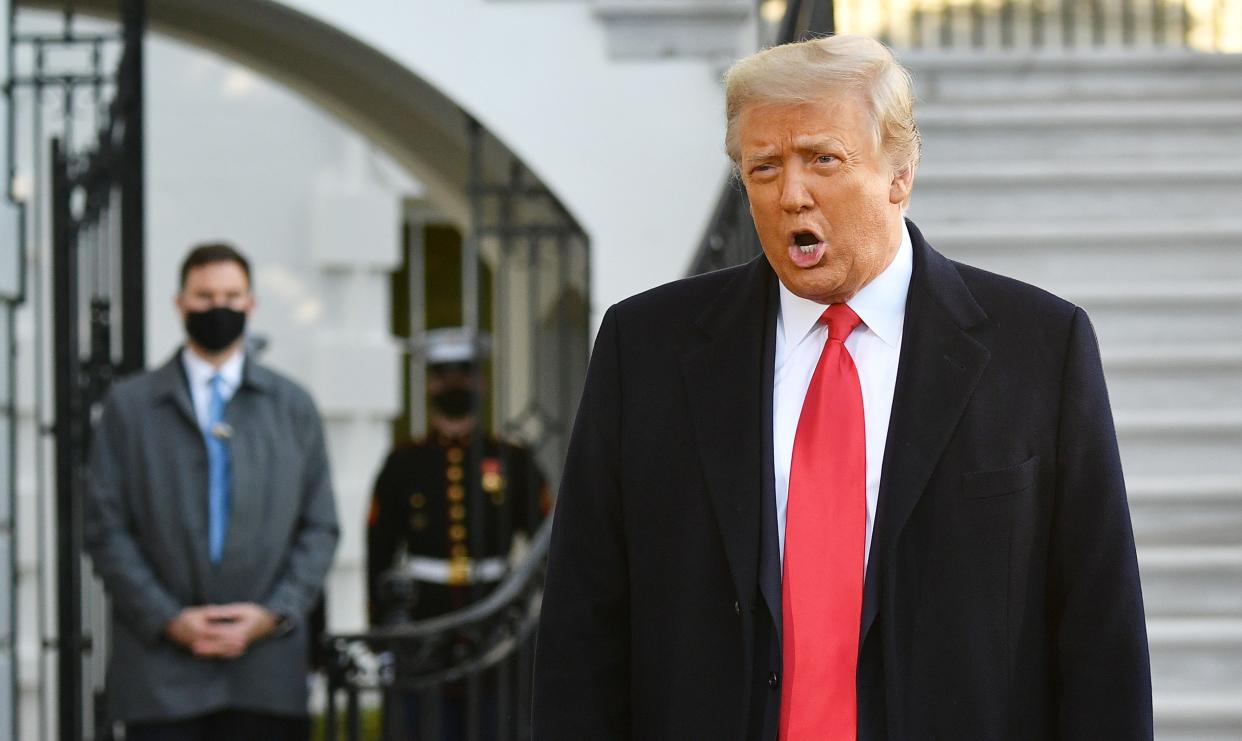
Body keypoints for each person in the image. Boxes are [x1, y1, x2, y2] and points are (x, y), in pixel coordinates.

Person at [533, 35, 1151, 740]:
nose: (791, 193)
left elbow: (1102, 640)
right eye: (763, 167)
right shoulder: (643, 350)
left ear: (900, 172)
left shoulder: (1039, 347)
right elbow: (581, 635)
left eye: (822, 159)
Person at [84, 243, 339, 740]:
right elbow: (104, 527)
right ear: (180, 303)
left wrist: (272, 614)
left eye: (231, 295)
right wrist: (168, 619)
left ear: (251, 304)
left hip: (266, 675)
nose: (217, 307)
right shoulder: (130, 406)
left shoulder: (292, 406)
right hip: (161, 678)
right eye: (204, 296)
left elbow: (320, 526)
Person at [366, 328, 550, 738]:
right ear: (429, 383)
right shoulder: (403, 463)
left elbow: (547, 542)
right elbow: (378, 551)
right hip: (423, 626)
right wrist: (382, 633)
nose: (454, 382)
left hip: (496, 623)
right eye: (443, 373)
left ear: (481, 380)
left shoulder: (512, 460)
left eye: (464, 371)